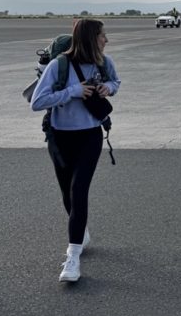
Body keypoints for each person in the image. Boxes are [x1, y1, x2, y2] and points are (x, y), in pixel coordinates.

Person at [30, 19, 120, 284]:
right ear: (91, 38)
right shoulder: (59, 66)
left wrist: (108, 88)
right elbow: (37, 101)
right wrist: (73, 91)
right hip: (60, 138)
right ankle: (80, 231)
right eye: (103, 35)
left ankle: (73, 257)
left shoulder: (105, 62)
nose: (106, 40)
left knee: (78, 191)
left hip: (90, 136)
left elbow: (116, 81)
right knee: (67, 195)